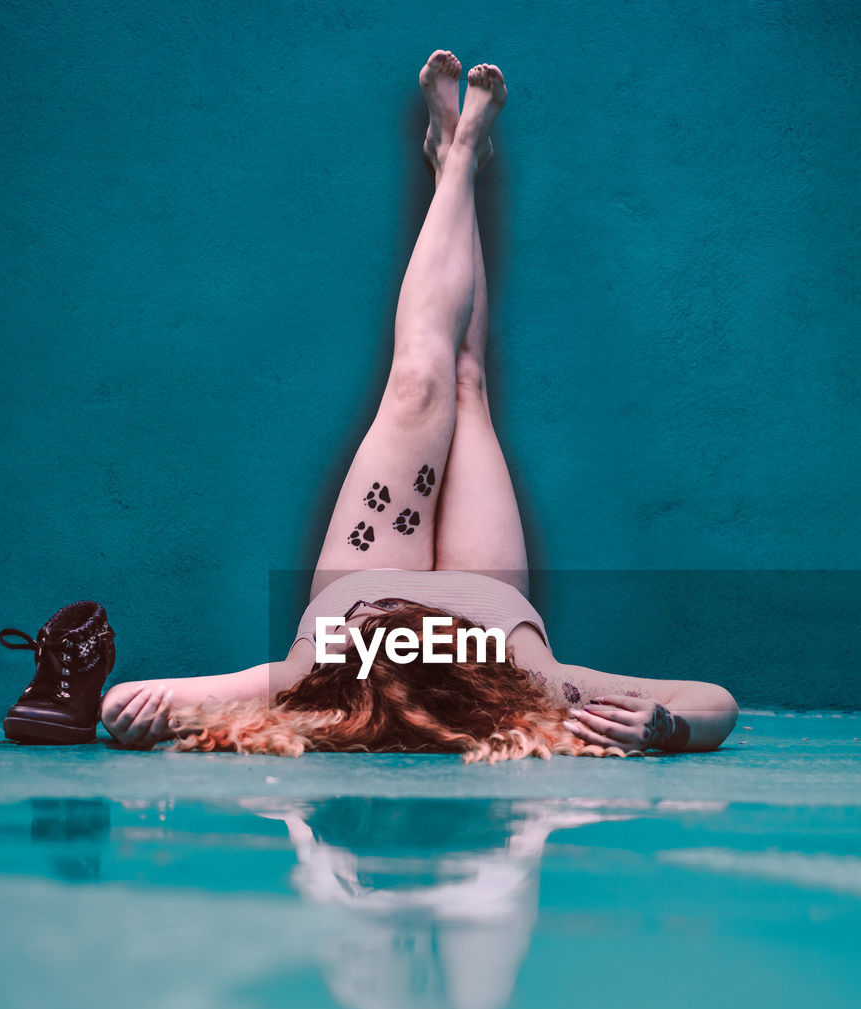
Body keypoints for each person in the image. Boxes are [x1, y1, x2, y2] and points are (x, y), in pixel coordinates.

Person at [101, 53, 738, 762]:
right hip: (487, 607)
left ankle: (457, 156)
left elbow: (129, 701)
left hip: (359, 594)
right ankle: (457, 158)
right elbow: (713, 700)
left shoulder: (308, 680)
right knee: (464, 382)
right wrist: (664, 728)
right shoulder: (539, 683)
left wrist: (133, 717)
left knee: (416, 382)